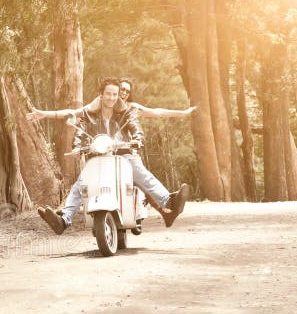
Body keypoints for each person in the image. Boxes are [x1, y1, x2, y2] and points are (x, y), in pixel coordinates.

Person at [30, 77, 189, 234]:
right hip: (98, 156)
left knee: (138, 170)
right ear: (101, 94)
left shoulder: (125, 111)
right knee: (81, 182)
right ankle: (64, 220)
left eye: (115, 94)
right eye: (108, 94)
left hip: (123, 154)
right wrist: (77, 146)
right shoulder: (90, 112)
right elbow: (80, 129)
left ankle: (169, 201)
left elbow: (136, 126)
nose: (112, 97)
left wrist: (137, 139)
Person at [26, 78, 196, 121]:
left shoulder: (131, 108)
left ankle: (163, 204)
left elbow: (157, 112)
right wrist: (43, 114)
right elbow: (72, 113)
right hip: (102, 150)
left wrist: (182, 113)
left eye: (127, 92)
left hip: (126, 150)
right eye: (120, 90)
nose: (123, 93)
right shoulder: (98, 104)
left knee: (139, 175)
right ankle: (67, 211)